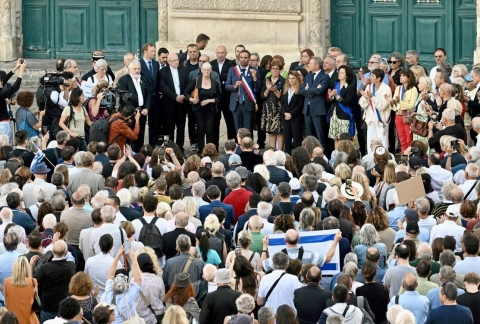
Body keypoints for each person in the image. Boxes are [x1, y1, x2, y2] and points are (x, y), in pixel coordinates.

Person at [31, 240, 76, 322]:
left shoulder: (44, 268)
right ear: (66, 253)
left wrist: (31, 266)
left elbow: (33, 282)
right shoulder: (71, 266)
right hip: (63, 307)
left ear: (52, 251)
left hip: (48, 306)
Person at [100, 244, 143, 323]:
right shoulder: (129, 297)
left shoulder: (107, 294)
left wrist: (117, 256)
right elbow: (138, 279)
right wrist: (134, 259)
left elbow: (110, 275)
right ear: (127, 285)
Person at [184, 62, 221, 153]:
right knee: (200, 130)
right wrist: (191, 99)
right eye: (205, 70)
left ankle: (210, 151)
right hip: (198, 110)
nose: (207, 72)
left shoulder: (214, 83)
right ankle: (201, 150)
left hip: (211, 110)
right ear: (201, 70)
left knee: (209, 130)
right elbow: (186, 92)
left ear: (211, 71)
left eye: (208, 70)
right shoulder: (196, 81)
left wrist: (210, 100)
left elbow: (219, 97)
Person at [116, 59, 150, 151]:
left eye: (138, 68)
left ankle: (139, 152)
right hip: (129, 113)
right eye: (135, 69)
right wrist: (134, 110)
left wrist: (146, 108)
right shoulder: (124, 80)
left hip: (142, 112)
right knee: (129, 135)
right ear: (129, 69)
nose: (137, 71)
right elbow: (124, 97)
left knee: (140, 134)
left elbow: (148, 95)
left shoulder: (143, 79)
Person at [226, 50, 261, 134]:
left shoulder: (254, 70)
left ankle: (248, 146)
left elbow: (258, 88)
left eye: (245, 57)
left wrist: (255, 78)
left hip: (248, 104)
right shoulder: (233, 70)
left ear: (249, 59)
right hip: (236, 103)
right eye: (241, 57)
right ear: (239, 58)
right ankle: (239, 146)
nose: (243, 59)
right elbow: (227, 86)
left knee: (248, 129)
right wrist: (234, 86)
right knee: (237, 129)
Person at [159, 53, 189, 151]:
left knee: (181, 127)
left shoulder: (184, 69)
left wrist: (183, 96)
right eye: (174, 61)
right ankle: (169, 148)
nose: (176, 62)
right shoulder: (163, 72)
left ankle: (180, 148)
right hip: (169, 103)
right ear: (168, 62)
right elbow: (163, 87)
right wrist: (175, 97)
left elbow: (188, 84)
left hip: (182, 103)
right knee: (169, 128)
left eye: (177, 60)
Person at [359, 69, 393, 152]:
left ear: (378, 78)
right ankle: (371, 159)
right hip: (370, 119)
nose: (370, 77)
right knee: (371, 141)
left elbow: (383, 106)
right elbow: (362, 104)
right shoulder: (369, 87)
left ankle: (383, 159)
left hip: (381, 120)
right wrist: (365, 97)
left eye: (372, 76)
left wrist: (372, 97)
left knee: (382, 141)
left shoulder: (386, 88)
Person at [386, 69, 418, 154]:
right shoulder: (398, 88)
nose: (400, 77)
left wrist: (399, 101)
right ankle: (404, 161)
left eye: (403, 76)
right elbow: (394, 104)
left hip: (407, 117)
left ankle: (410, 159)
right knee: (402, 140)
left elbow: (411, 106)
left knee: (409, 140)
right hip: (398, 116)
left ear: (409, 78)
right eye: (400, 75)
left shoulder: (413, 89)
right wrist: (391, 101)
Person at [300, 56, 330, 150]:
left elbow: (320, 92)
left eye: (310, 64)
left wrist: (308, 89)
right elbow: (301, 90)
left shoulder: (324, 76)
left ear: (317, 65)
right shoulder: (308, 75)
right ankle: (309, 153)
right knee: (309, 136)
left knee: (320, 134)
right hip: (307, 110)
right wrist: (314, 89)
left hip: (318, 110)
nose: (308, 65)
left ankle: (322, 154)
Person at [328, 65, 357, 149]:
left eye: (342, 73)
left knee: (344, 139)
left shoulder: (350, 87)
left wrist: (337, 96)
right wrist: (331, 96)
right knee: (335, 137)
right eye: (339, 72)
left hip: (344, 115)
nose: (339, 74)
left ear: (346, 75)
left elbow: (347, 102)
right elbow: (332, 100)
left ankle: (345, 155)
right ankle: (337, 155)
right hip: (334, 114)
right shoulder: (335, 84)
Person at [3, 256, 39, 324]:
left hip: (12, 320)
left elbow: (6, 301)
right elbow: (34, 299)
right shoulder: (33, 282)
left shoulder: (7, 282)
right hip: (29, 320)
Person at [134, 252, 165, 323]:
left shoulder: (133, 280)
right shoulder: (158, 280)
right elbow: (162, 298)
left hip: (139, 318)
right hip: (155, 317)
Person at [0, 59, 27, 143]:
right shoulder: (1, 94)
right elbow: (15, 87)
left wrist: (16, 67)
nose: (2, 81)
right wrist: (21, 71)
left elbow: (5, 79)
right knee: (7, 146)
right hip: (3, 125)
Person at [260, 59, 285, 149]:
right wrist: (267, 89)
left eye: (277, 69)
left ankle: (280, 152)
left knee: (279, 132)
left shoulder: (283, 81)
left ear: (280, 70)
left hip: (278, 110)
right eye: (273, 68)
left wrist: (275, 90)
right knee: (270, 131)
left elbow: (283, 97)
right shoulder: (266, 80)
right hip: (268, 109)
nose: (274, 70)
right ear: (270, 69)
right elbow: (262, 96)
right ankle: (272, 150)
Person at [281, 71, 304, 154]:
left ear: (297, 79)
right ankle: (287, 156)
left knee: (297, 138)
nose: (291, 80)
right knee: (287, 139)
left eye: (293, 78)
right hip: (286, 117)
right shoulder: (286, 89)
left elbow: (300, 104)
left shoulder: (300, 90)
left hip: (296, 118)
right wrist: (285, 113)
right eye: (289, 78)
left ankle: (297, 156)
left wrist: (291, 114)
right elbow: (282, 103)